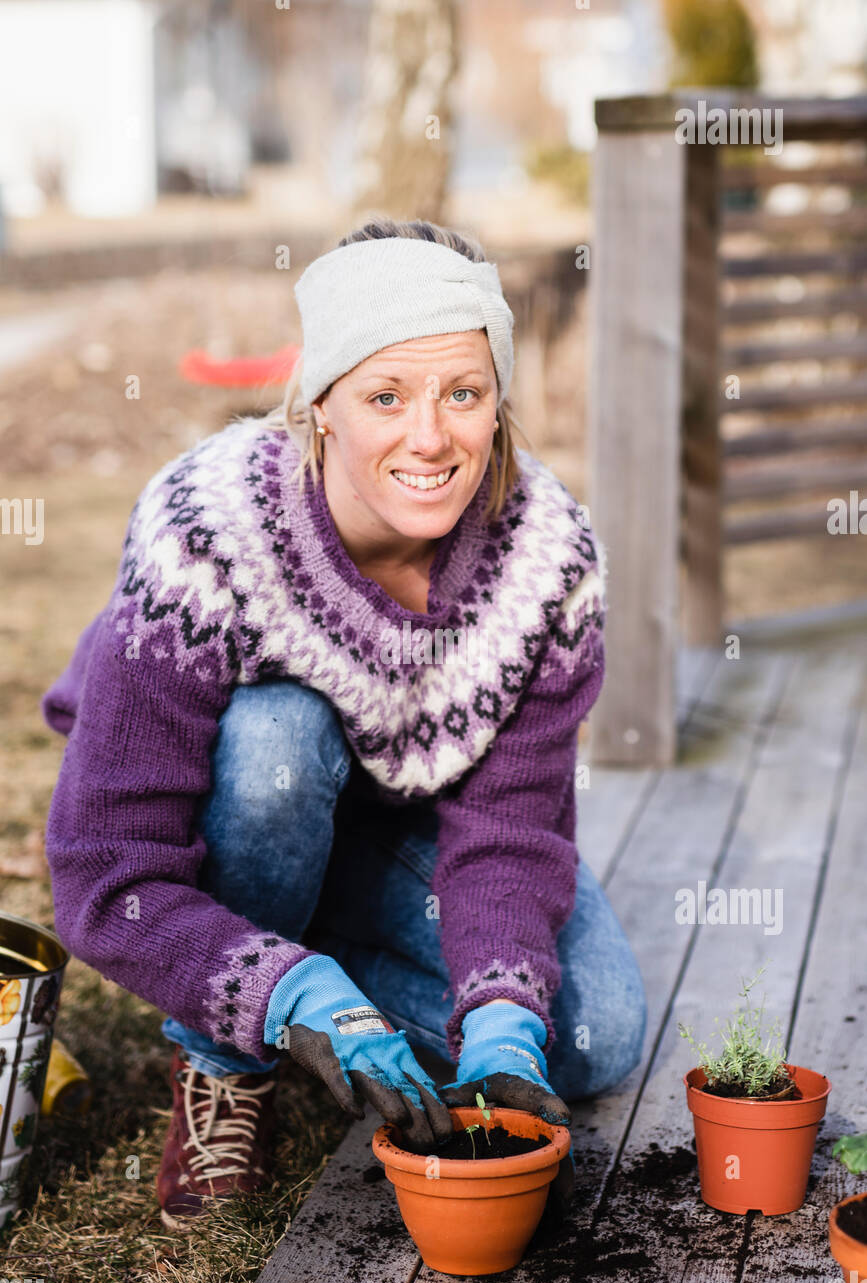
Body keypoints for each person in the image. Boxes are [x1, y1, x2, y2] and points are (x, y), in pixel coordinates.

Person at [40, 217, 646, 1230]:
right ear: (320, 406)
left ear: (497, 402)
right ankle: (230, 1052)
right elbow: (105, 873)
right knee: (278, 744)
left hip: (402, 820)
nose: (430, 437)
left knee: (597, 1034)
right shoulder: (209, 529)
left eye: (464, 392)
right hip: (247, 798)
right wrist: (288, 993)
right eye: (384, 396)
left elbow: (507, 831)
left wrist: (501, 1016)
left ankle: (269, 950)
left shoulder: (549, 563)